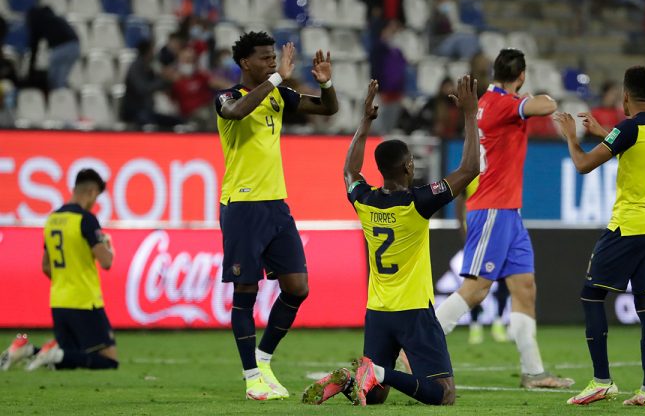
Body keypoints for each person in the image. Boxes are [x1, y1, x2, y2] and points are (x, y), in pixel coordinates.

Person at [302, 75, 479, 407]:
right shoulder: (418, 203)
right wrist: (470, 113)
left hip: (377, 310)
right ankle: (378, 372)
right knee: (443, 394)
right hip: (413, 310)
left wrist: (365, 123)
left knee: (377, 398)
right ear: (410, 166)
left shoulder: (365, 201)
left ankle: (356, 376)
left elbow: (349, 172)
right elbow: (470, 168)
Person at [434, 48, 573, 389]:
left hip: (509, 212)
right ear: (521, 75)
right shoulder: (504, 104)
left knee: (524, 288)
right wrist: (528, 97)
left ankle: (533, 372)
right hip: (493, 208)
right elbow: (548, 105)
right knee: (476, 289)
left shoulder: (485, 102)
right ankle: (417, 344)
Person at [214, 31, 338, 401]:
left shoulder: (279, 95)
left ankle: (264, 359)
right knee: (246, 291)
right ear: (245, 63)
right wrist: (277, 78)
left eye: (274, 57)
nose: (272, 62)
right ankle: (251, 377)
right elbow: (237, 112)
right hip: (242, 206)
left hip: (276, 205)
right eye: (265, 58)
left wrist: (326, 82)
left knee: (298, 287)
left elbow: (328, 109)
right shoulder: (228, 97)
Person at [554, 65, 645, 407]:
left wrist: (571, 135)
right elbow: (637, 146)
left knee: (591, 296)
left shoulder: (627, 128)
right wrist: (603, 132)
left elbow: (582, 165)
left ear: (625, 95)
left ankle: (601, 381)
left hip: (628, 227)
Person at [0, 169, 117, 372]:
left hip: (58, 301)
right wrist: (109, 247)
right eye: (96, 197)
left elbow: (45, 265)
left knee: (67, 361)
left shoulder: (53, 219)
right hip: (85, 301)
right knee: (109, 360)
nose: (94, 202)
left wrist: (65, 279)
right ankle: (51, 352)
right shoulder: (86, 220)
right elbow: (106, 262)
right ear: (91, 192)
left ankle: (27, 350)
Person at [456, 179, 509, 345]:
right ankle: (475, 325)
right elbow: (460, 201)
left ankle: (499, 322)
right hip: (475, 233)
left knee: (502, 278)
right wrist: (463, 230)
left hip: (496, 232)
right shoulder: (471, 172)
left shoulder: (499, 173)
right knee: (473, 281)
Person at [120, 39, 184, 131]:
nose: (154, 52)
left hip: (147, 111)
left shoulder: (147, 66)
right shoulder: (136, 67)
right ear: (147, 51)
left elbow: (157, 81)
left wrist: (167, 78)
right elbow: (143, 88)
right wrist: (164, 80)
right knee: (149, 123)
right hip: (135, 111)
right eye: (152, 49)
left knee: (177, 121)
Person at [26, 6, 80, 90]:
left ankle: (59, 99)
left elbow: (34, 46)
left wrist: (30, 72)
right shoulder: (55, 18)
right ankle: (64, 95)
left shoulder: (38, 21)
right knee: (61, 78)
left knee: (54, 82)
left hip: (60, 48)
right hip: (75, 46)